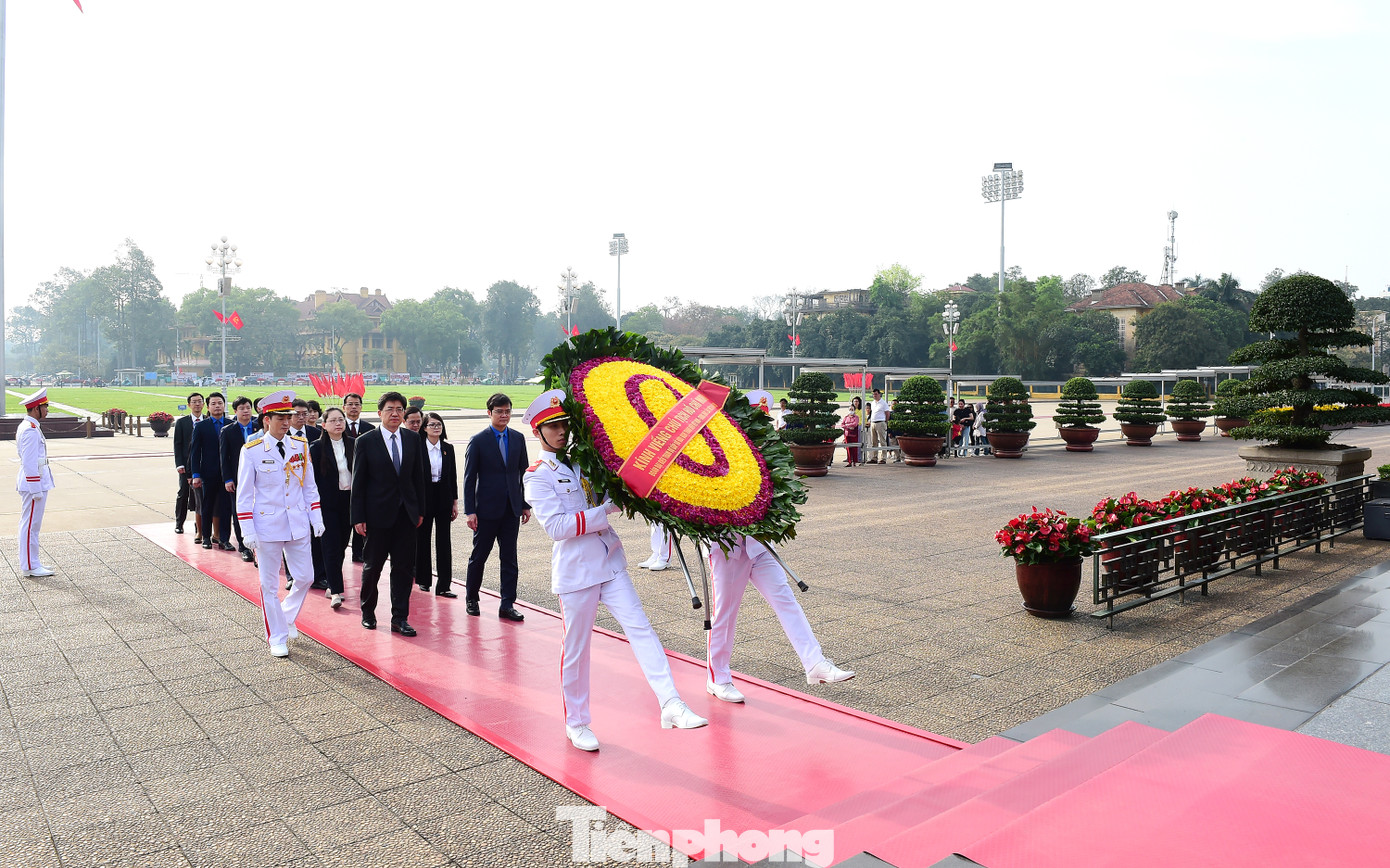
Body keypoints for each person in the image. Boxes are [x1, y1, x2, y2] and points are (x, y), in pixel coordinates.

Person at [521, 389, 707, 752]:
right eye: (553, 426)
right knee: (577, 650)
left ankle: (671, 702)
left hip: (610, 562)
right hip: (577, 572)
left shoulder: (585, 462)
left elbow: (610, 495)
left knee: (642, 629)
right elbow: (557, 527)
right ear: (537, 431)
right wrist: (605, 511)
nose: (561, 431)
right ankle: (577, 723)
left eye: (564, 424)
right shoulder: (538, 476)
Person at [235, 390, 324, 658]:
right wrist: (247, 530)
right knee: (269, 585)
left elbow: (309, 487)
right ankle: (277, 636)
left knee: (306, 577)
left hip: (297, 522)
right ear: (267, 420)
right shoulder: (251, 451)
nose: (287, 422)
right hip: (267, 525)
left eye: (289, 417)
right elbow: (244, 495)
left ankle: (285, 615)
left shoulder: (300, 446)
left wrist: (316, 517)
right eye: (280, 418)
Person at [350, 391, 426, 635]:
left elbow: (418, 478)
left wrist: (420, 510)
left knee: (403, 569)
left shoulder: (412, 439)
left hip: (406, 515)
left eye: (399, 409)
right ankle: (368, 612)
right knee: (372, 567)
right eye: (390, 409)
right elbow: (358, 482)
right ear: (379, 412)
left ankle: (400, 618)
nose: (395, 413)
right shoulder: (366, 441)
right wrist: (358, 517)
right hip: (377, 516)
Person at [462, 393, 532, 621]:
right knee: (479, 556)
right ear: (489, 413)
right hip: (486, 510)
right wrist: (470, 511)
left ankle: (507, 604)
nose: (504, 415)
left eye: (507, 411)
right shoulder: (478, 440)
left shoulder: (518, 438)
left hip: (511, 510)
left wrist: (524, 504)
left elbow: (523, 474)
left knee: (509, 559)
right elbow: (469, 479)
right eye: (499, 411)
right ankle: (472, 598)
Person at [309, 407, 354, 609]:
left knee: (342, 545)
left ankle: (331, 580)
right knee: (331, 546)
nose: (338, 423)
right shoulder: (316, 448)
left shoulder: (354, 444)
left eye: (341, 420)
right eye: (333, 420)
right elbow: (312, 480)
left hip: (349, 502)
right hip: (326, 504)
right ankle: (335, 590)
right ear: (324, 425)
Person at [416, 412, 459, 597]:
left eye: (439, 424)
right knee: (422, 539)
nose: (436, 427)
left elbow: (452, 477)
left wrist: (454, 502)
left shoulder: (448, 448)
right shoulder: (418, 447)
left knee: (444, 541)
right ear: (424, 428)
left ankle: (444, 585)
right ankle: (423, 580)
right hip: (424, 498)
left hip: (443, 498)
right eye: (432, 425)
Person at [15, 389, 56, 577]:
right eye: (45, 406)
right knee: (31, 526)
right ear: (36, 408)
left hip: (35, 481)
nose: (47, 410)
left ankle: (32, 562)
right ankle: (30, 566)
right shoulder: (30, 430)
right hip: (34, 483)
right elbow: (29, 462)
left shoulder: (30, 426)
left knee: (31, 525)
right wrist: (35, 488)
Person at [220, 396, 262, 563]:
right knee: (240, 512)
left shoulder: (259, 427)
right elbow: (224, 457)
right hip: (238, 478)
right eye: (242, 408)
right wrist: (228, 479)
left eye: (248, 408)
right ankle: (244, 547)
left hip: (259, 477)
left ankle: (259, 545)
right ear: (235, 411)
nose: (246, 411)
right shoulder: (228, 431)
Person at [189, 393, 233, 551]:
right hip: (208, 473)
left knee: (226, 507)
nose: (217, 406)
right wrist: (196, 475)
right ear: (208, 407)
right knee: (207, 506)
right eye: (213, 403)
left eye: (220, 403)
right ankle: (206, 537)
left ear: (224, 405)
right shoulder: (201, 426)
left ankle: (224, 539)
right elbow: (195, 452)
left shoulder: (231, 425)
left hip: (227, 475)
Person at [342, 392, 374, 564]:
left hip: (363, 482)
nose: (353, 407)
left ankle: (358, 552)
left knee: (362, 518)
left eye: (357, 404)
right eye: (350, 404)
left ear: (361, 407)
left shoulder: (370, 428)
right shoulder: (338, 426)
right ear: (344, 407)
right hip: (344, 482)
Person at [173, 392, 205, 542]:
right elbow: (177, 445)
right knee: (183, 493)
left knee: (201, 497)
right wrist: (179, 464)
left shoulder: (208, 420)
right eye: (194, 402)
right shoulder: (182, 422)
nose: (197, 404)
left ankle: (199, 526)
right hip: (186, 466)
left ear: (203, 404)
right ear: (189, 405)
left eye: (199, 401)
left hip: (203, 464)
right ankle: (179, 523)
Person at [868, 388, 890, 464]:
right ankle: (874, 457)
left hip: (880, 422)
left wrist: (885, 421)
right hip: (873, 422)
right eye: (873, 394)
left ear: (879, 394)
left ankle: (883, 458)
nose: (874, 395)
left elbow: (887, 413)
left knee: (882, 440)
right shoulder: (873, 403)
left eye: (876, 394)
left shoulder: (883, 403)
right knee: (874, 441)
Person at [841, 395, 863, 467]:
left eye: (852, 409)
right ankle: (849, 461)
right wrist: (848, 426)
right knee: (848, 447)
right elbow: (842, 424)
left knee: (854, 447)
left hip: (854, 434)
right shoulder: (846, 417)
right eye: (850, 409)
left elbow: (855, 424)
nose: (851, 410)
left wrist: (847, 425)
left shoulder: (856, 417)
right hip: (847, 434)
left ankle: (855, 461)